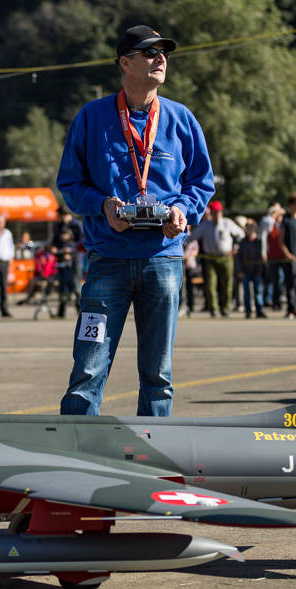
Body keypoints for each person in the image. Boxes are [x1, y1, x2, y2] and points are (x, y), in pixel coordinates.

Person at [56, 25, 213, 416]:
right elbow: (70, 183)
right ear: (125, 63)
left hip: (163, 259)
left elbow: (201, 183)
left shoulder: (181, 119)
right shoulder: (91, 117)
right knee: (88, 368)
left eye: (163, 53)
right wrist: (104, 206)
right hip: (107, 259)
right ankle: (76, 451)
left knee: (158, 374)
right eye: (149, 52)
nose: (160, 58)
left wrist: (183, 211)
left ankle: (153, 455)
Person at [190, 200, 244, 317]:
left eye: (218, 212)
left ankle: (225, 308)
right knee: (210, 285)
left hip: (226, 258)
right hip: (210, 259)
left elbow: (241, 235)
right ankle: (213, 309)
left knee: (227, 285)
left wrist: (236, 247)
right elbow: (192, 237)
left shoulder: (227, 223)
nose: (217, 215)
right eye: (214, 212)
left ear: (221, 213)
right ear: (211, 213)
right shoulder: (205, 225)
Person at [236, 219, 267, 318]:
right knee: (246, 293)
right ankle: (248, 311)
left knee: (258, 291)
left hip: (256, 270)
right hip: (245, 270)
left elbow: (262, 256)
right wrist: (239, 270)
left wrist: (262, 268)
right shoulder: (242, 242)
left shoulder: (259, 242)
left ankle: (259, 309)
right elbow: (238, 258)